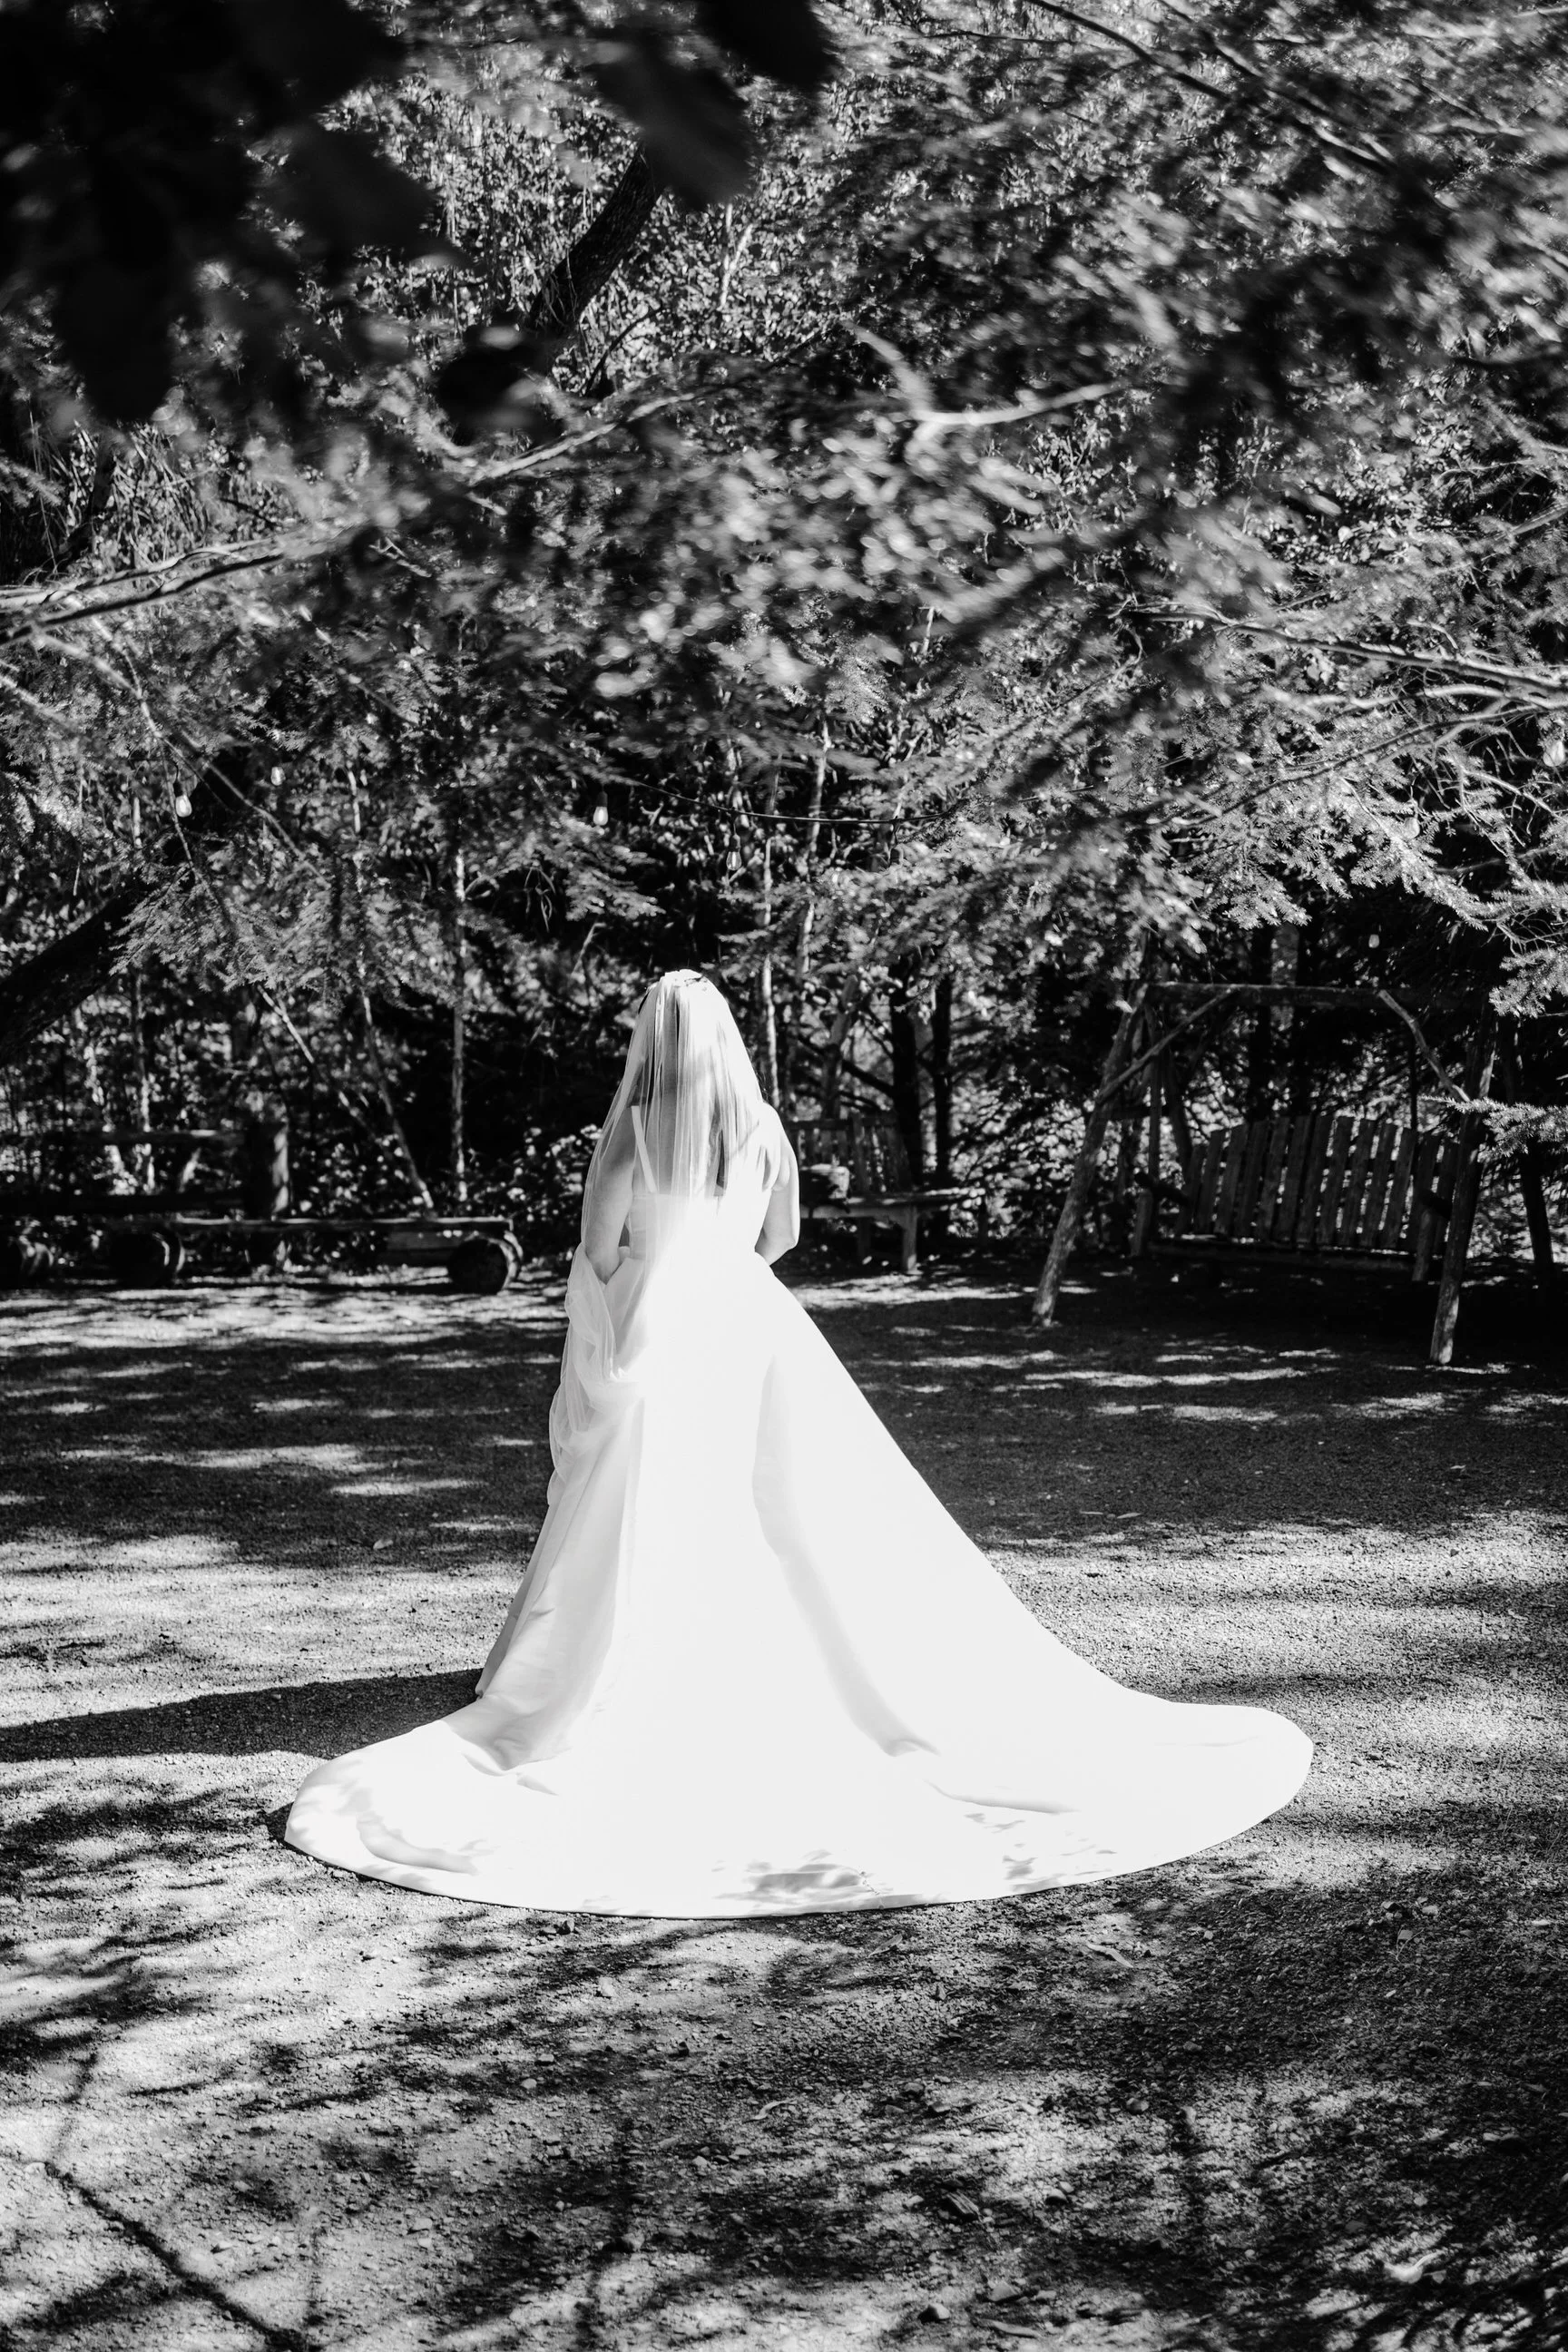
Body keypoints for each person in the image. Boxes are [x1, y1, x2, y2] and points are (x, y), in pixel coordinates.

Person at [286, 971, 1309, 1916]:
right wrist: (721, 1257)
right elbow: (781, 1238)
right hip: (750, 1321)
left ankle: (628, 1661)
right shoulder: (763, 1125)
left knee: (646, 1493)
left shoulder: (637, 1126)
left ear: (654, 1042)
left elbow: (597, 1246)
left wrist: (630, 1289)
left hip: (660, 1323)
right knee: (774, 1497)